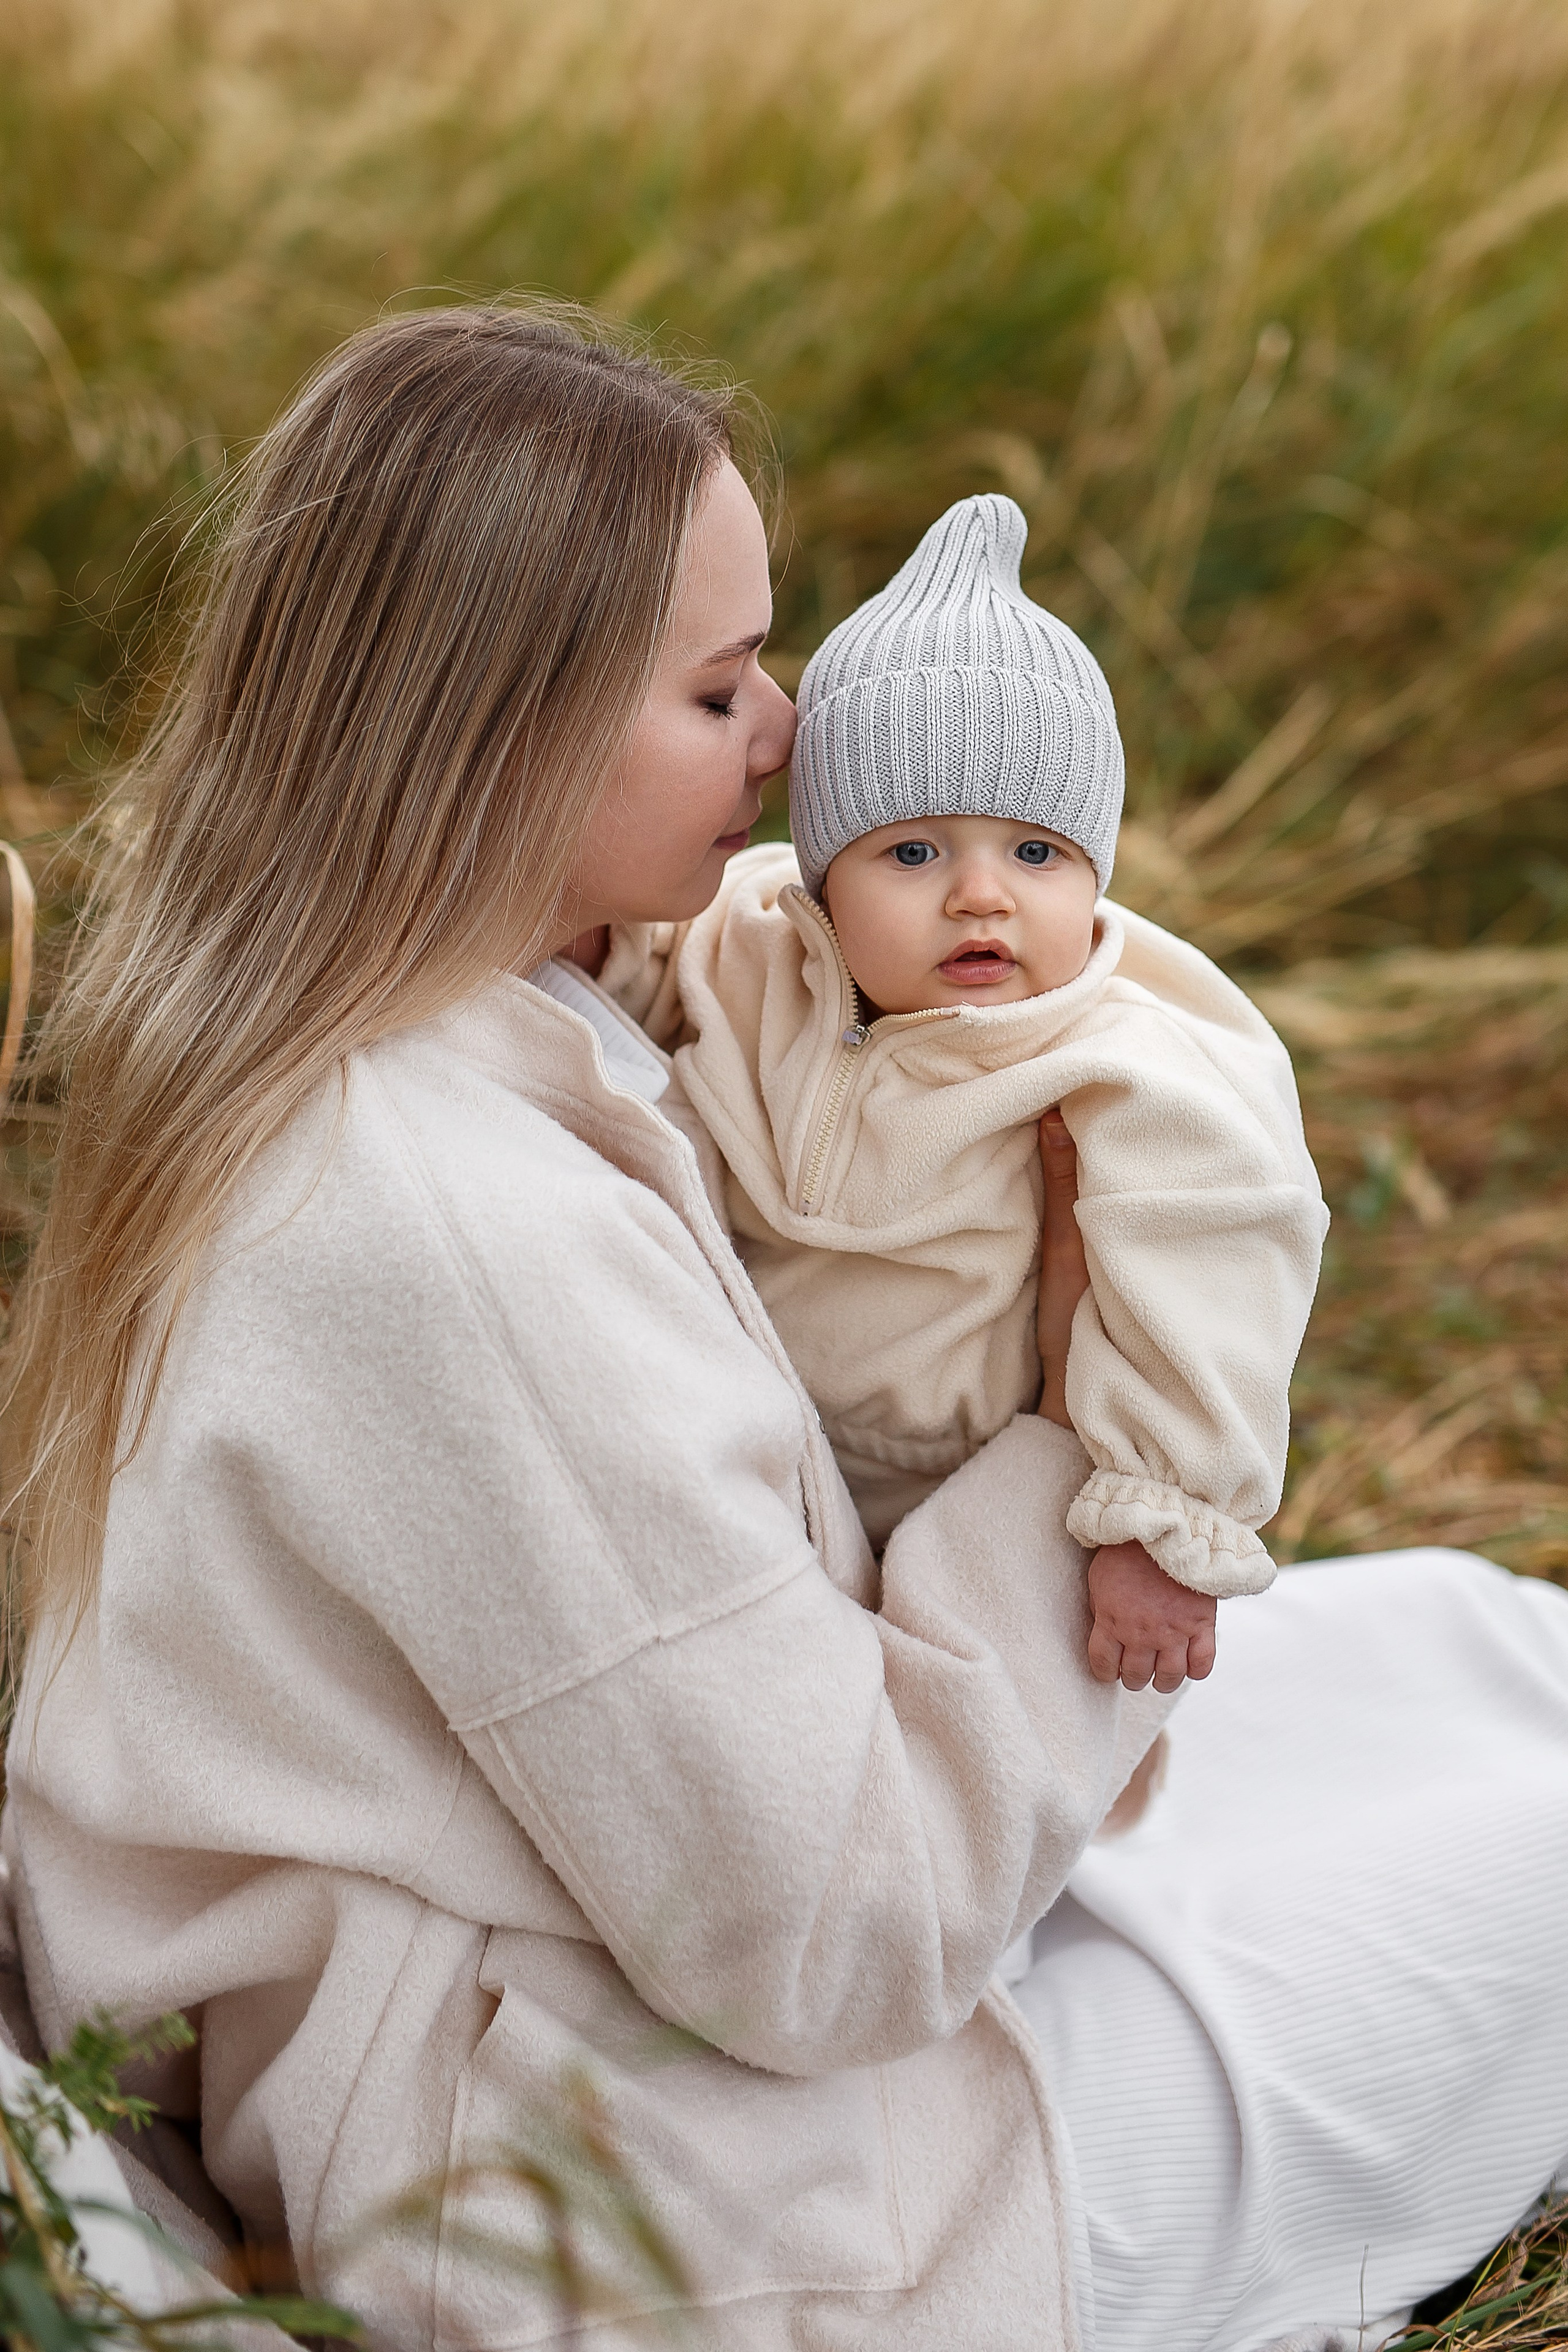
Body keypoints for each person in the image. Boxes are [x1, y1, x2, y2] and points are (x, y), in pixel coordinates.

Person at [3, 303, 1567, 2352]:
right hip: (666, 2203)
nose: (795, 731)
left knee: (1482, 1642)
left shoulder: (382, 1003)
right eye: (723, 684)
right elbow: (836, 1931)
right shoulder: (447, 1232)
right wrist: (1075, 1437)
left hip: (578, 1946)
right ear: (503, 731)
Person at [668, 493, 1329, 1696]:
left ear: (1093, 874)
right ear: (822, 880)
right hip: (762, 1460)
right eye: (912, 853)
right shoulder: (744, 951)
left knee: (1015, 1682)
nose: (981, 896)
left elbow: (1213, 1262)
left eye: (1035, 855)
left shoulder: (1121, 1054)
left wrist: (1161, 1518)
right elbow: (626, 959)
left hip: (984, 1473)